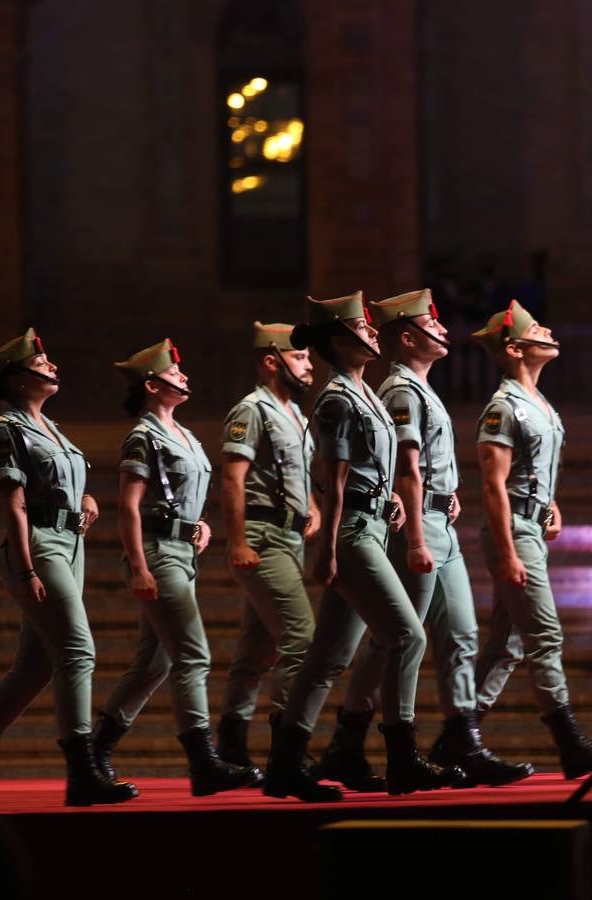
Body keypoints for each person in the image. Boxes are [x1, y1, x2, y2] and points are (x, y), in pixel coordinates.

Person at [263, 292, 460, 801]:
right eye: (362, 329)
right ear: (338, 340)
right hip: (349, 532)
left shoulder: (365, 392)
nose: (374, 334)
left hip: (371, 524)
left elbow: (375, 467)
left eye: (373, 328)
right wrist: (326, 549)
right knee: (406, 636)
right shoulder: (337, 398)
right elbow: (334, 473)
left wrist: (390, 494)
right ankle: (401, 756)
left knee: (329, 653)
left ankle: (285, 762)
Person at [333, 288, 534, 786]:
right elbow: (406, 466)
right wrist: (419, 537)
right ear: (409, 336)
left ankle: (464, 738)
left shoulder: (420, 388)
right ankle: (358, 740)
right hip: (420, 529)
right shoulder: (400, 389)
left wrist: (444, 502)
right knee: (397, 640)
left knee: (462, 634)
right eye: (432, 324)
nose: (444, 330)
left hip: (440, 524)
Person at [0, 328, 137, 807]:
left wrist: (86, 499)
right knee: (77, 649)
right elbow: (14, 503)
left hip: (71, 543)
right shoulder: (8, 430)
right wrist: (24, 570)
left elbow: (62, 483)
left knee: (34, 666)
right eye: (43, 365)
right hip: (38, 545)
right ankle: (82, 771)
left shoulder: (53, 429)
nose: (53, 368)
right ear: (17, 379)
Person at [88, 339, 263, 796]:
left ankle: (95, 751)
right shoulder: (144, 436)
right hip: (158, 555)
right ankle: (203, 763)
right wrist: (140, 567)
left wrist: (198, 525)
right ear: (152, 385)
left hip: (182, 553)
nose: (183, 377)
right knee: (192, 654)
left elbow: (180, 499)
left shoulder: (184, 434)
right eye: (174, 372)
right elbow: (128, 506)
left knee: (153, 663)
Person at [471, 299, 592, 778]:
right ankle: (569, 742)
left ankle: (460, 731)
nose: (549, 332)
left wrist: (549, 503)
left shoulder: (540, 405)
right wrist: (509, 551)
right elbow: (493, 485)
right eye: (538, 330)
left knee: (507, 641)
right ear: (515, 349)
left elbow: (531, 473)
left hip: (532, 525)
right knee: (543, 635)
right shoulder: (504, 406)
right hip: (515, 532)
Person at [214, 323, 321, 770]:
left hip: (290, 536)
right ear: (271, 360)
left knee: (257, 650)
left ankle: (232, 746)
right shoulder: (251, 410)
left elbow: (295, 471)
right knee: (301, 638)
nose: (309, 365)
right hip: (262, 536)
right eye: (300, 358)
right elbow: (233, 478)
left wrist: (311, 504)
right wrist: (237, 541)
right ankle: (287, 746)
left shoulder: (295, 413)